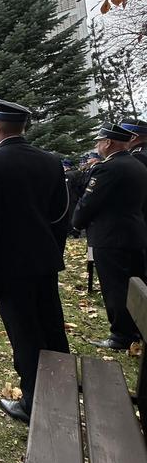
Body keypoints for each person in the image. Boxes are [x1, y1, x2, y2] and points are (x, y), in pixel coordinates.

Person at [0, 98, 70, 424]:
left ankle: (33, 402)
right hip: (44, 260)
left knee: (25, 336)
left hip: (11, 267)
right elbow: (61, 216)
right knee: (51, 326)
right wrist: (52, 250)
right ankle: (62, 389)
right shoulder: (50, 161)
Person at [72, 122, 147, 350]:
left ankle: (120, 336)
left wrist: (76, 222)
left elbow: (89, 202)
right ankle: (136, 329)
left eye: (99, 141)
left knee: (115, 287)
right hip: (133, 232)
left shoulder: (109, 168)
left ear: (108, 142)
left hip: (110, 237)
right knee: (134, 283)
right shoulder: (137, 165)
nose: (97, 146)